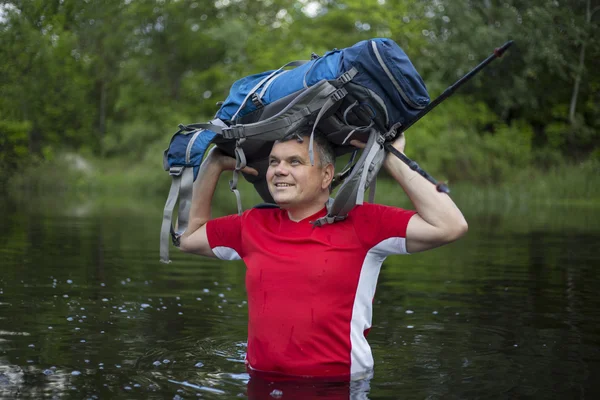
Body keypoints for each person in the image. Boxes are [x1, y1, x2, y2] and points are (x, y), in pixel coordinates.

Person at [179, 129, 468, 381]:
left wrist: (391, 157)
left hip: (339, 387)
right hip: (261, 384)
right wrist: (214, 164)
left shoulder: (363, 222)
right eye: (273, 162)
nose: (279, 170)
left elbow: (450, 225)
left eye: (295, 162)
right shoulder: (253, 224)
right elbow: (188, 238)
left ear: (326, 175)